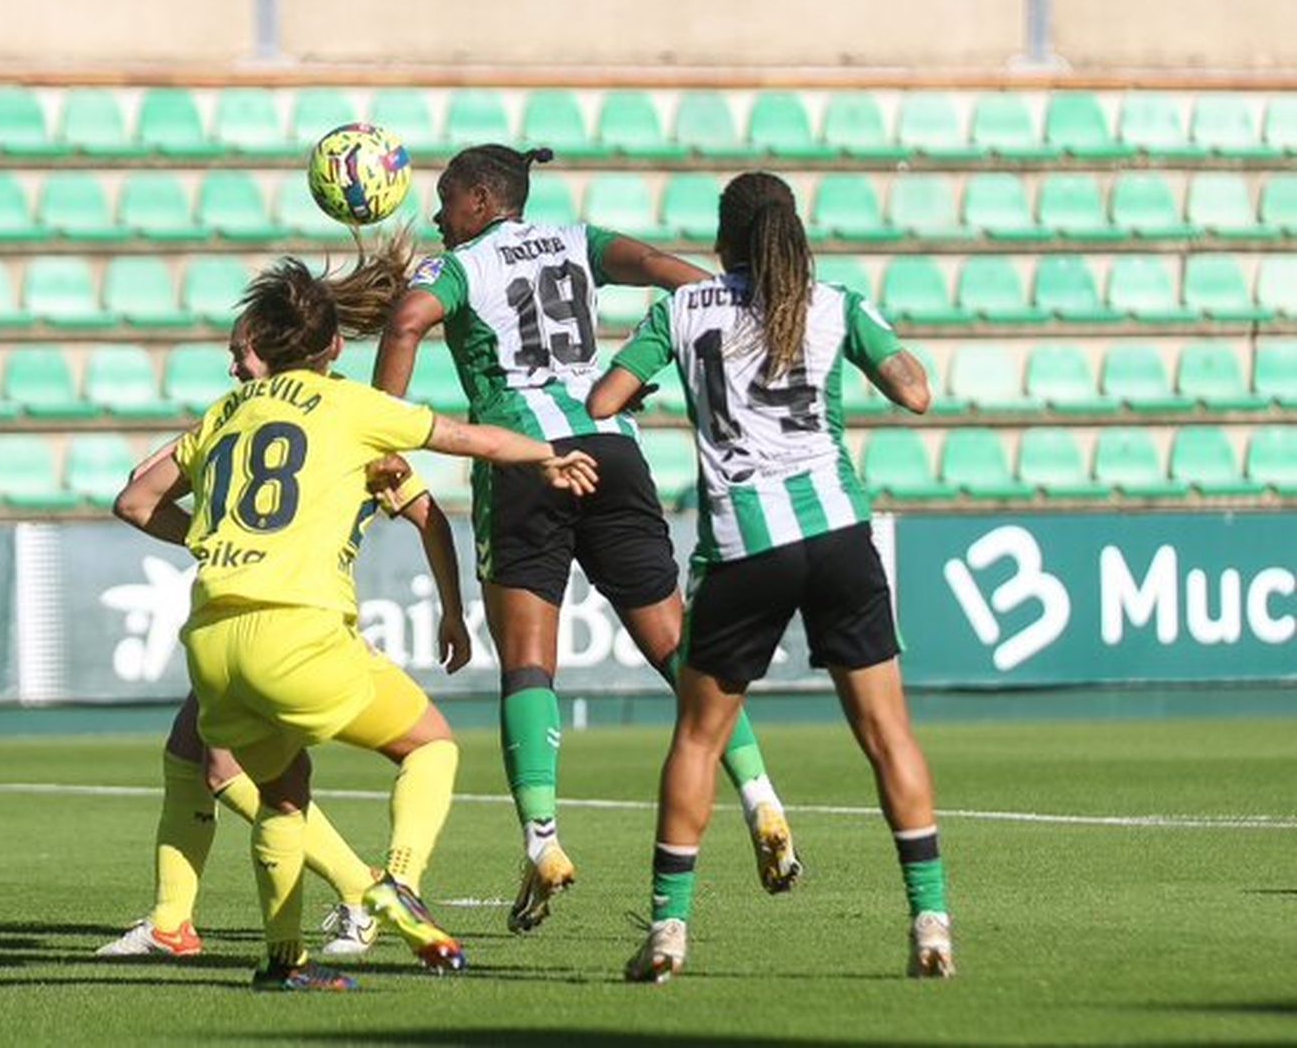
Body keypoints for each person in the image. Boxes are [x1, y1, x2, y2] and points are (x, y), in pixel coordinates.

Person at [113, 236, 599, 992]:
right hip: (297, 630)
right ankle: (396, 880)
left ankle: (283, 962)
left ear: (264, 347)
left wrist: (214, 540)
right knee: (431, 745)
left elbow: (135, 500)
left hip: (211, 636)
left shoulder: (225, 411)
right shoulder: (351, 407)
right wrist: (545, 456)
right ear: (334, 343)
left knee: (280, 793)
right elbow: (467, 438)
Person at [375, 144, 800, 934]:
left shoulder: (460, 265)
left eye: (443, 199)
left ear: (479, 196)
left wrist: (381, 434)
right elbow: (660, 266)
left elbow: (405, 321)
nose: (436, 216)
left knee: (530, 661)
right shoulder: (576, 240)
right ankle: (762, 799)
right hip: (612, 449)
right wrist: (728, 313)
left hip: (528, 460)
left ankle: (542, 842)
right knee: (680, 646)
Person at [587, 171, 953, 982]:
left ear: (723, 240)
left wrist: (657, 384)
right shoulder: (834, 304)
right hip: (838, 535)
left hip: (744, 547)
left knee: (697, 735)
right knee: (888, 734)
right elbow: (916, 392)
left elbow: (604, 398)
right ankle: (930, 924)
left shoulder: (680, 310)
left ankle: (669, 932)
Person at [100, 331, 471, 960]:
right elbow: (139, 489)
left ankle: (360, 892)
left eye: (241, 350)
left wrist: (453, 610)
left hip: (292, 616)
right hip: (257, 610)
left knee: (227, 769)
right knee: (190, 754)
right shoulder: (256, 416)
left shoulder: (340, 416)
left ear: (276, 350)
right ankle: (174, 923)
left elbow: (424, 508)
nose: (232, 363)